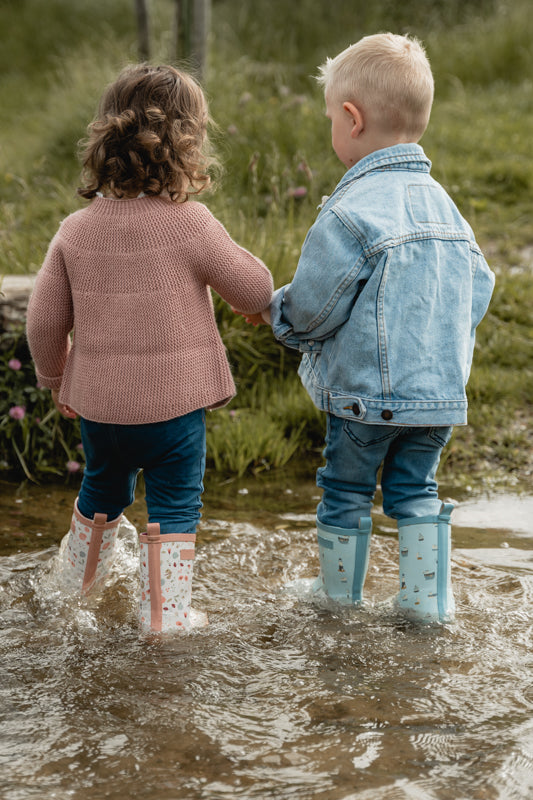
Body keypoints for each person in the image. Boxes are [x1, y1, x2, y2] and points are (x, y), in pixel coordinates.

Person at [241, 33, 495, 622]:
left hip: (365, 399)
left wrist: (275, 313)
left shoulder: (351, 211)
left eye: (331, 116)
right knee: (416, 492)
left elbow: (316, 305)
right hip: (436, 399)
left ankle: (337, 601)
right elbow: (477, 286)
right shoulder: (446, 207)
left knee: (346, 490)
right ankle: (426, 604)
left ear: (351, 119)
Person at [26, 64, 273, 633]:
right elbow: (253, 288)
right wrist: (249, 288)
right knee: (176, 506)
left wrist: (54, 378)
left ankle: (72, 595)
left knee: (102, 489)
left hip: (101, 411)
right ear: (188, 148)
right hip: (175, 412)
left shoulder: (75, 230)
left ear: (104, 145)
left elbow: (43, 319)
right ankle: (165, 615)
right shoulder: (189, 223)